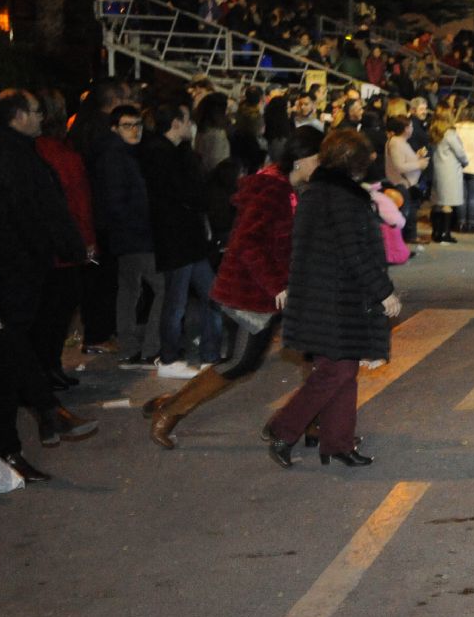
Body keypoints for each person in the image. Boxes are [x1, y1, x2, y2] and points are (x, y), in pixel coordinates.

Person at [146, 127, 324, 448]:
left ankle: (309, 423)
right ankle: (171, 410)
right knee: (241, 362)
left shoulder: (300, 190)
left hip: (292, 288)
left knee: (316, 352)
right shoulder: (272, 190)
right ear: (301, 159)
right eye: (319, 159)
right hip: (255, 290)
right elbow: (247, 244)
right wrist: (276, 286)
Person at [263, 130, 398, 468]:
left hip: (323, 296)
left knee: (343, 370)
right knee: (335, 373)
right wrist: (384, 292)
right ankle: (283, 428)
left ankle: (337, 442)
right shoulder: (341, 197)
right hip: (335, 300)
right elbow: (355, 253)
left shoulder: (319, 192)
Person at [0, 89, 98, 483]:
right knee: (7, 342)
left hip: (10, 270)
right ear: (17, 116)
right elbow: (30, 211)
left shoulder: (11, 150)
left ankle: (17, 445)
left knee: (6, 353)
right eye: (35, 112)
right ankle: (48, 412)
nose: (40, 118)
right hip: (9, 271)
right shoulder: (7, 155)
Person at [141, 97, 223, 380]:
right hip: (177, 239)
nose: (191, 126)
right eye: (187, 121)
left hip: (188, 240)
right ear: (176, 123)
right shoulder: (160, 154)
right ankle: (169, 357)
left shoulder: (175, 152)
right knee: (176, 301)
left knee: (212, 295)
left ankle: (210, 354)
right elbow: (184, 194)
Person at [33, 88, 97, 389]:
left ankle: (46, 367)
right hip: (65, 245)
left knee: (47, 312)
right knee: (57, 311)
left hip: (44, 246)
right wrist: (86, 242)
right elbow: (79, 202)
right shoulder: (61, 154)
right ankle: (48, 366)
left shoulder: (34, 151)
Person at [95, 103, 167, 368]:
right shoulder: (118, 156)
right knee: (162, 286)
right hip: (135, 235)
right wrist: (139, 226)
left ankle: (130, 346)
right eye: (127, 125)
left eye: (137, 124)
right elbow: (118, 201)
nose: (134, 130)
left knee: (129, 289)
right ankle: (149, 347)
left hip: (125, 235)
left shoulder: (120, 153)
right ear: (115, 128)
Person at [384, 116, 428, 247]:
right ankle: (409, 236)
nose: (412, 129)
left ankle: (410, 235)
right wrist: (419, 164)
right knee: (408, 211)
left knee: (411, 210)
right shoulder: (396, 143)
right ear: (404, 129)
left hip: (406, 182)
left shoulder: (401, 142)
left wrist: (417, 156)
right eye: (410, 126)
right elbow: (399, 166)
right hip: (402, 183)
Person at [427, 110, 467, 244]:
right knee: (447, 203)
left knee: (438, 202)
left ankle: (436, 232)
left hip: (437, 170)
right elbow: (460, 152)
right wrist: (465, 162)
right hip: (450, 171)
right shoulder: (450, 134)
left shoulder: (434, 132)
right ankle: (446, 233)